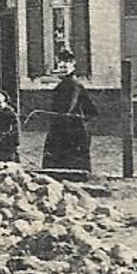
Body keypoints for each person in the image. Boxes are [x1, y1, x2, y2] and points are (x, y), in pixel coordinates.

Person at [41, 52, 97, 180]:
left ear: (73, 65)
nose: (63, 65)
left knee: (67, 153)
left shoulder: (73, 85)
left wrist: (76, 120)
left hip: (70, 127)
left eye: (67, 62)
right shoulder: (64, 84)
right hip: (65, 124)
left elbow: (70, 107)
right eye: (60, 62)